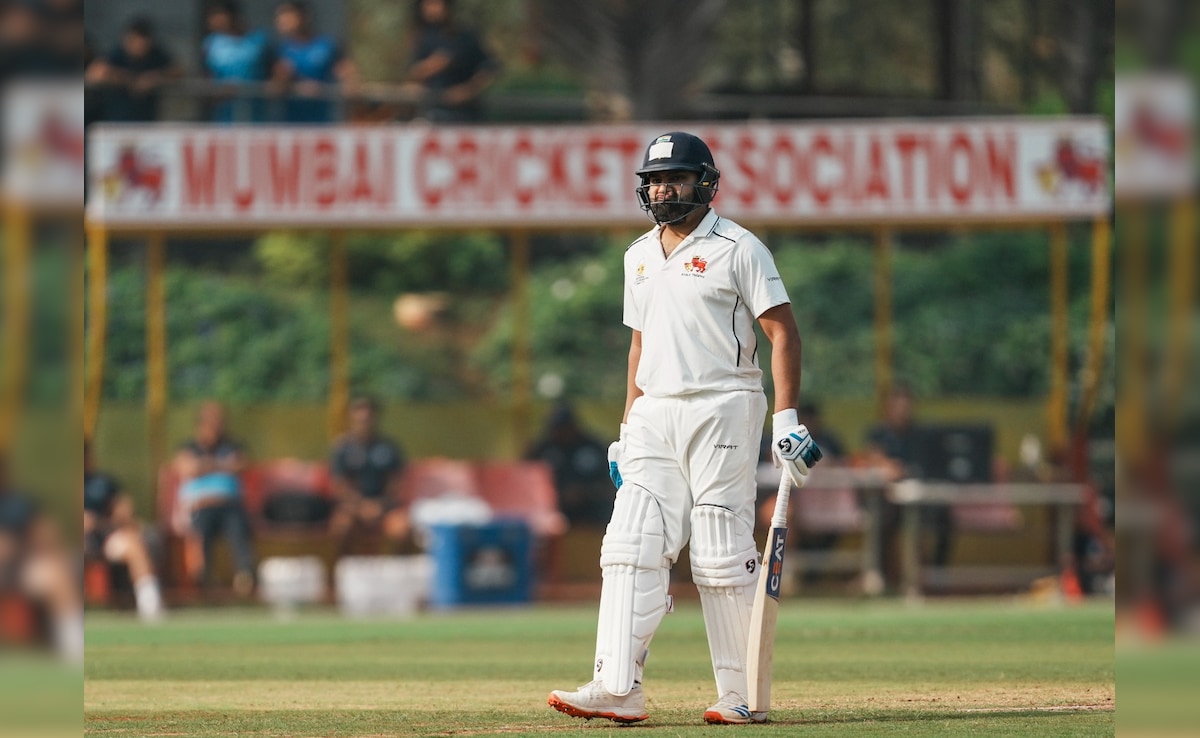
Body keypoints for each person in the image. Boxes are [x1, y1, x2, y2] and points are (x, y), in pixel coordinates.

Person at [548, 131, 821, 725]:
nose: (663, 187)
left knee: (720, 549)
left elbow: (783, 333)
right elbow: (638, 345)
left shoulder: (739, 247)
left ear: (706, 182)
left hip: (724, 402)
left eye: (676, 177)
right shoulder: (637, 256)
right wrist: (625, 424)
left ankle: (742, 694)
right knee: (630, 542)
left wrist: (787, 418)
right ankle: (617, 686)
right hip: (654, 412)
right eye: (654, 179)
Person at [0, 451, 82, 663]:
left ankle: (72, 648)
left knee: (55, 573)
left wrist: (19, 545)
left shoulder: (18, 504)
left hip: (16, 569)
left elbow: (49, 537)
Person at [173, 400, 257, 596]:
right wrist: (222, 465)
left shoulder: (233, 445)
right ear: (201, 423)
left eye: (220, 420)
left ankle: (245, 576)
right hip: (200, 506)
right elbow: (188, 468)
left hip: (230, 506)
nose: (217, 425)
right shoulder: (189, 447)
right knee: (202, 528)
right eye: (212, 421)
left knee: (238, 526)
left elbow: (242, 465)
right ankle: (202, 579)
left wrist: (206, 466)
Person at [84, 439, 164, 621]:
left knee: (134, 544)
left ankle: (151, 609)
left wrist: (112, 517)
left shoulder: (103, 482)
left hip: (104, 539)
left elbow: (124, 509)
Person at [328, 396, 410, 556]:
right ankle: (341, 575)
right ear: (351, 419)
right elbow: (340, 485)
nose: (364, 422)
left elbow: (396, 483)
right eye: (360, 419)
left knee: (402, 529)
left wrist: (380, 505)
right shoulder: (342, 448)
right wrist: (361, 506)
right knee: (340, 527)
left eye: (368, 418)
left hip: (385, 508)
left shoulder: (389, 447)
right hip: (352, 508)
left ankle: (393, 573)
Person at [404, 0, 498, 122]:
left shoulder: (464, 36)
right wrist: (431, 66)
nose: (432, 8)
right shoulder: (422, 38)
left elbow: (489, 66)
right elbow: (413, 72)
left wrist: (469, 89)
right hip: (432, 110)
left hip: (466, 113)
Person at [270, 0, 360, 123]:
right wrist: (284, 81)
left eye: (287, 15)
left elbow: (347, 75)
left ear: (304, 16)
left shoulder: (326, 45)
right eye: (280, 17)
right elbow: (275, 88)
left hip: (322, 122)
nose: (282, 21)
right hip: (291, 122)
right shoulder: (281, 50)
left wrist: (348, 87)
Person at [524, 402, 612, 525]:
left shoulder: (593, 448)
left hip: (590, 510)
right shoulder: (542, 449)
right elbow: (526, 482)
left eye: (563, 427)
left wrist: (584, 492)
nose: (560, 432)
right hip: (553, 507)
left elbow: (609, 483)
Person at [84, 15, 180, 122]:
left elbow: (178, 71)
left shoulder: (155, 54)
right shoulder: (117, 54)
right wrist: (129, 80)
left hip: (146, 120)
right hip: (116, 120)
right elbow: (94, 74)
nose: (139, 47)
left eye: (143, 43)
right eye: (136, 42)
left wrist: (154, 78)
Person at [201, 0, 275, 123]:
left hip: (257, 115)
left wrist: (275, 84)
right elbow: (206, 76)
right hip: (224, 117)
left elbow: (276, 67)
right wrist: (216, 93)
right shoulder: (210, 43)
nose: (212, 21)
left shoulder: (260, 39)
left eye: (216, 15)